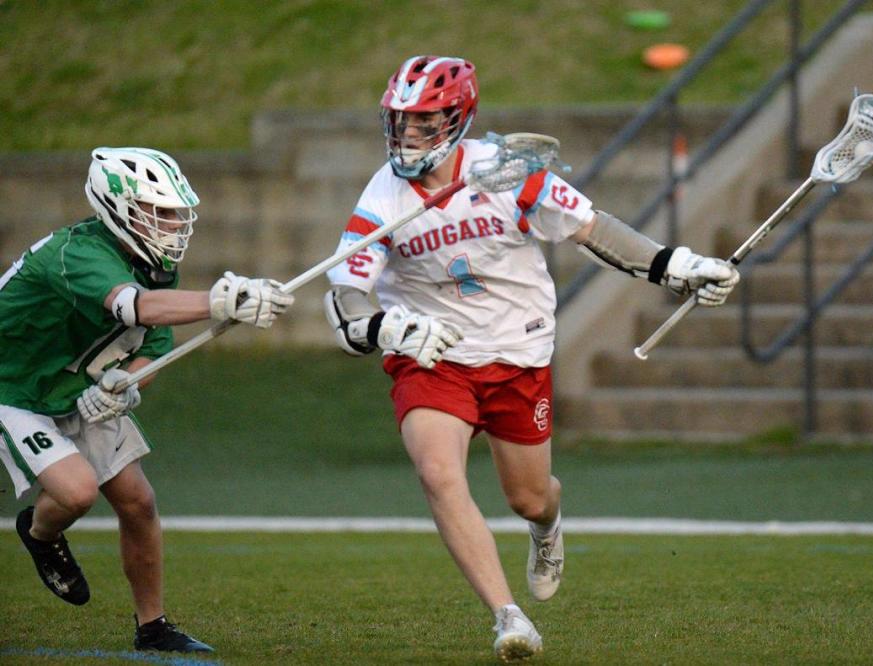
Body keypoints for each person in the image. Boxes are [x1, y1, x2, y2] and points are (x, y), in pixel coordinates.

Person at [323, 55, 739, 662]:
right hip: (431, 356)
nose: (408, 137)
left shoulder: (506, 170)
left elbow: (591, 229)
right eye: (400, 123)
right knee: (438, 473)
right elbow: (347, 300)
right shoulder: (382, 198)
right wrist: (387, 328)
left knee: (529, 497)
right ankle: (507, 616)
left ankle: (547, 527)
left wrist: (676, 266)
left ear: (459, 119)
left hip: (517, 352)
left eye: (424, 123)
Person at [0, 147, 294, 653]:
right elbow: (136, 308)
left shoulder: (155, 267)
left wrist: (126, 386)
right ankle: (40, 532)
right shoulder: (78, 252)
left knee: (139, 502)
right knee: (75, 494)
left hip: (74, 387)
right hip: (14, 387)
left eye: (176, 213)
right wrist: (222, 301)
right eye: (159, 212)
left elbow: (152, 350)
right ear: (116, 208)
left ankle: (153, 627)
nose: (173, 223)